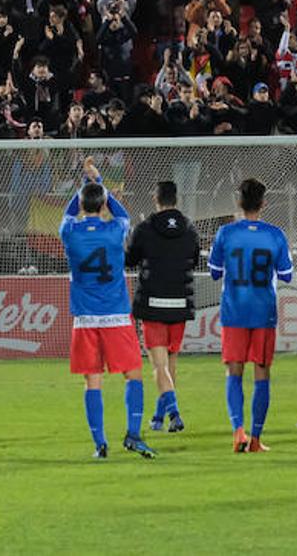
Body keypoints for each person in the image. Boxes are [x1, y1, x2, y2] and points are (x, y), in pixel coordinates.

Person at [60, 157, 153, 459]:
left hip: (85, 320)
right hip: (116, 316)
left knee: (93, 382)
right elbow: (123, 213)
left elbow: (68, 213)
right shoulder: (115, 231)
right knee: (134, 375)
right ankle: (134, 435)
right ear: (102, 207)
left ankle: (100, 444)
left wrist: (85, 187)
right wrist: (99, 182)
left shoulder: (69, 233)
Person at [207, 177, 294, 453]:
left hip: (234, 310)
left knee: (234, 371)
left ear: (238, 202)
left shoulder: (225, 233)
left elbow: (214, 272)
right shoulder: (275, 235)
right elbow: (287, 275)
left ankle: (238, 431)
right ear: (264, 203)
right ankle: (255, 439)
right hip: (263, 311)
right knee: (262, 372)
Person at [125, 180, 198, 434]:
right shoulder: (189, 228)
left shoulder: (144, 228)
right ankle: (158, 416)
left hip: (153, 303)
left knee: (159, 365)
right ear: (176, 199)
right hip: (179, 303)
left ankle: (174, 414)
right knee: (171, 362)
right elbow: (195, 258)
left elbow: (130, 259)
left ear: (155, 199)